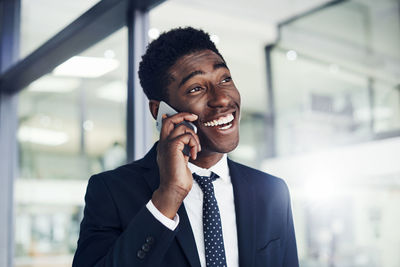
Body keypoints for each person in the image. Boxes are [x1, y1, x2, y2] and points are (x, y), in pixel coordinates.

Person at [73, 27, 298, 267]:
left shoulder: (272, 192)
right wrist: (168, 197)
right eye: (196, 88)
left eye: (225, 79)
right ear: (160, 112)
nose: (222, 98)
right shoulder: (112, 191)